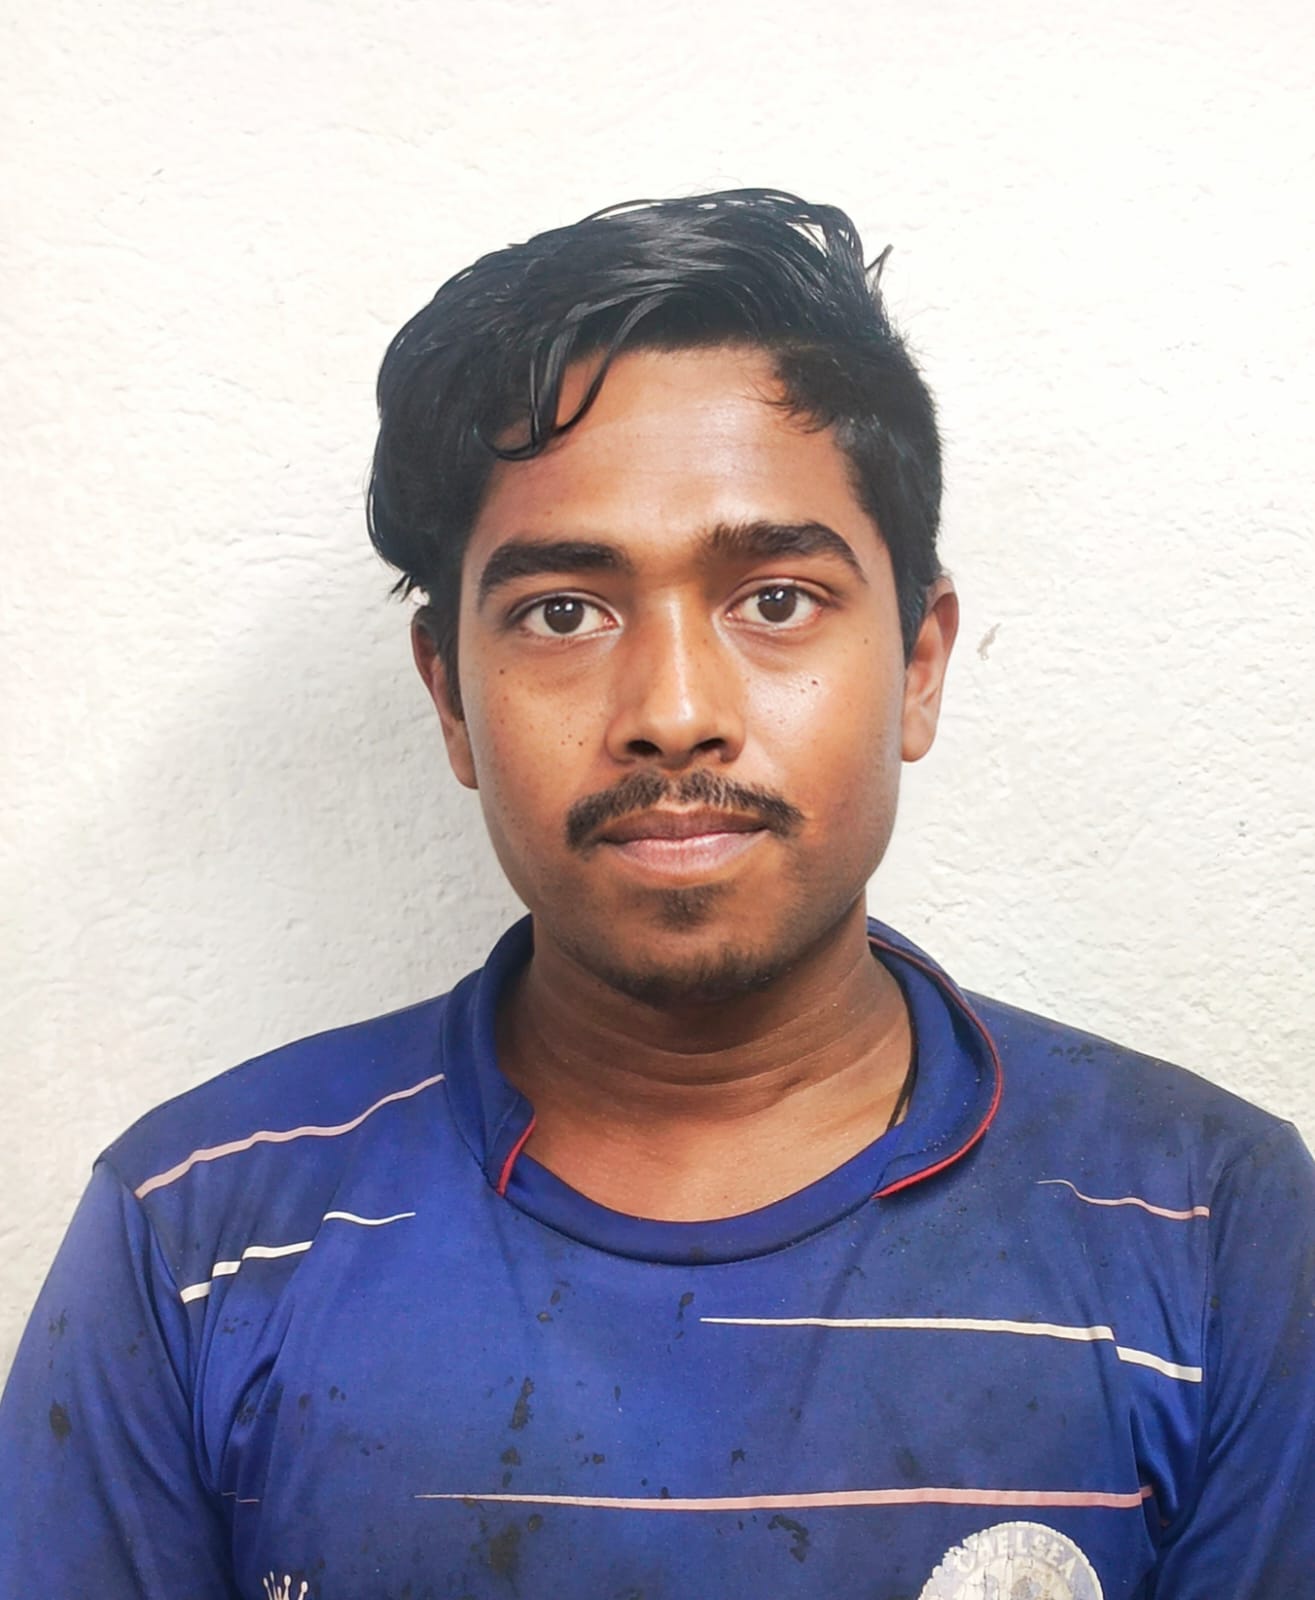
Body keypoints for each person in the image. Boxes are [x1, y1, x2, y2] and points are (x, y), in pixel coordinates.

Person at [1, 190, 1311, 1600]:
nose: (675, 713)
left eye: (776, 599)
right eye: (564, 612)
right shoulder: (199, 1236)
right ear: (450, 696)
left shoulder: (1215, 1231)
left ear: (921, 664)